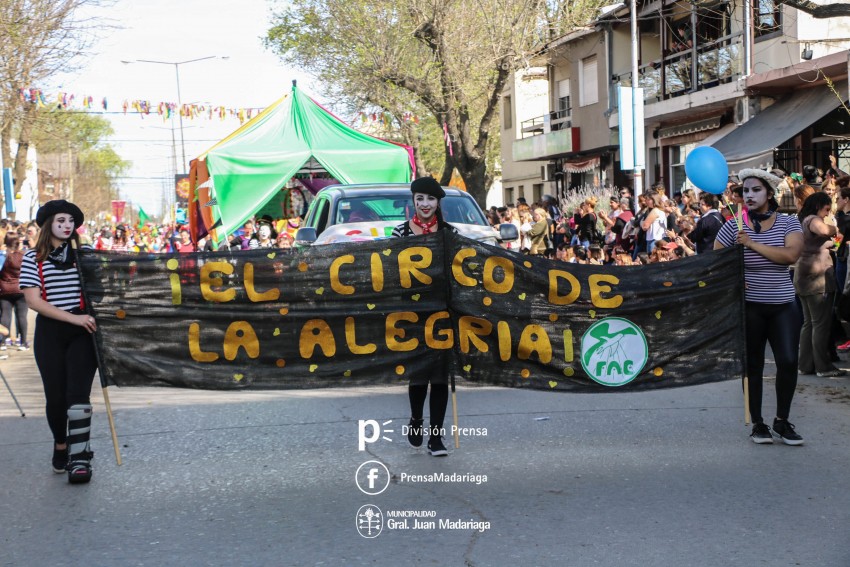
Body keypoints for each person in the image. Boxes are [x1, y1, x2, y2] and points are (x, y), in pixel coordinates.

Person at [714, 169, 805, 445]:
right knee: (753, 365)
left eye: (756, 190)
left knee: (788, 361)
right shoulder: (733, 226)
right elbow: (716, 263)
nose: (749, 195)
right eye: (745, 191)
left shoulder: (789, 223)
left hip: (783, 305)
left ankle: (782, 420)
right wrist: (734, 280)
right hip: (750, 307)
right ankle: (758, 423)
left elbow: (789, 255)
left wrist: (751, 244)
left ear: (769, 193)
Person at [20, 200, 99, 482]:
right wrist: (72, 318)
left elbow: (105, 287)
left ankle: (80, 458)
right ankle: (61, 444)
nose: (67, 226)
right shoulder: (33, 258)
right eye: (60, 221)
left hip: (84, 332)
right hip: (50, 332)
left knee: (77, 397)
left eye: (70, 221)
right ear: (48, 225)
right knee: (55, 398)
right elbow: (33, 301)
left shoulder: (85, 254)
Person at [391, 177, 455, 457]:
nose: (425, 204)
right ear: (413, 202)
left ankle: (436, 438)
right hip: (412, 315)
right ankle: (416, 420)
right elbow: (390, 270)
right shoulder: (400, 232)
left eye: (430, 199)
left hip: (442, 314)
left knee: (440, 377)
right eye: (420, 199)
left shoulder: (449, 232)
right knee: (419, 376)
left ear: (438, 202)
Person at [794, 192, 844, 377]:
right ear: (818, 206)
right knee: (820, 324)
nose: (827, 213)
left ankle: (806, 365)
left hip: (804, 276)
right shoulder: (813, 219)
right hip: (816, 279)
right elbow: (823, 230)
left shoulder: (804, 218)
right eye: (825, 209)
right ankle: (823, 366)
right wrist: (835, 229)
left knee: (809, 323)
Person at [0, 232, 29, 350]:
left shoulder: (4, 255)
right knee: (22, 316)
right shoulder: (24, 255)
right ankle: (23, 342)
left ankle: (2, 342)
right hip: (21, 290)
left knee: (5, 315)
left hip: (4, 290)